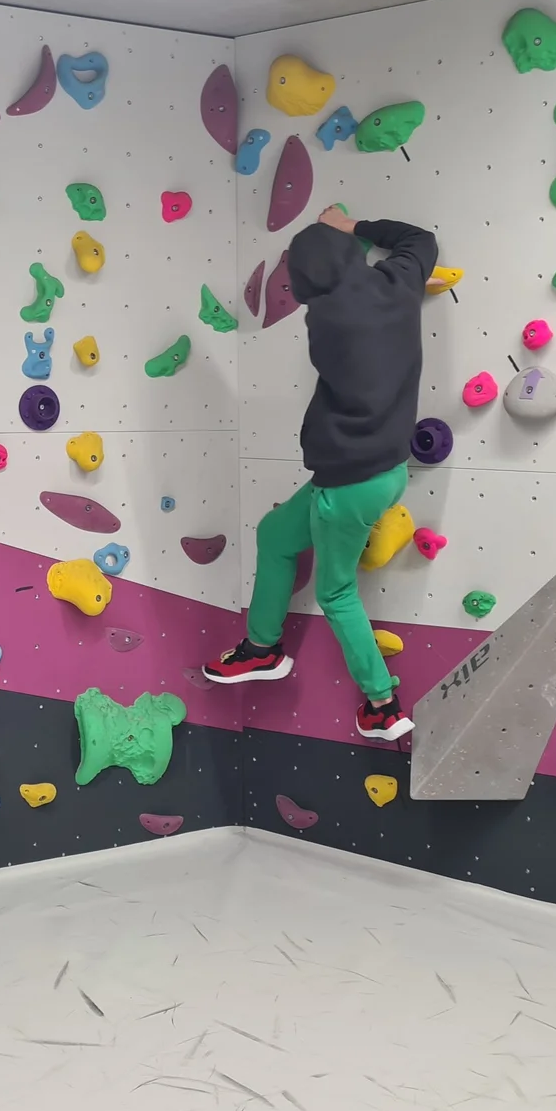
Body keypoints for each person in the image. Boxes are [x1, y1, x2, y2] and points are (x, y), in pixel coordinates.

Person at [204, 204, 434, 742]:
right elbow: (418, 235)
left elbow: (330, 303)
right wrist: (354, 228)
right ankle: (262, 650)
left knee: (336, 593)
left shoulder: (326, 321)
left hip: (347, 484)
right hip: (384, 470)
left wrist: (327, 254)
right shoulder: (399, 284)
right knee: (276, 535)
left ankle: (382, 703)